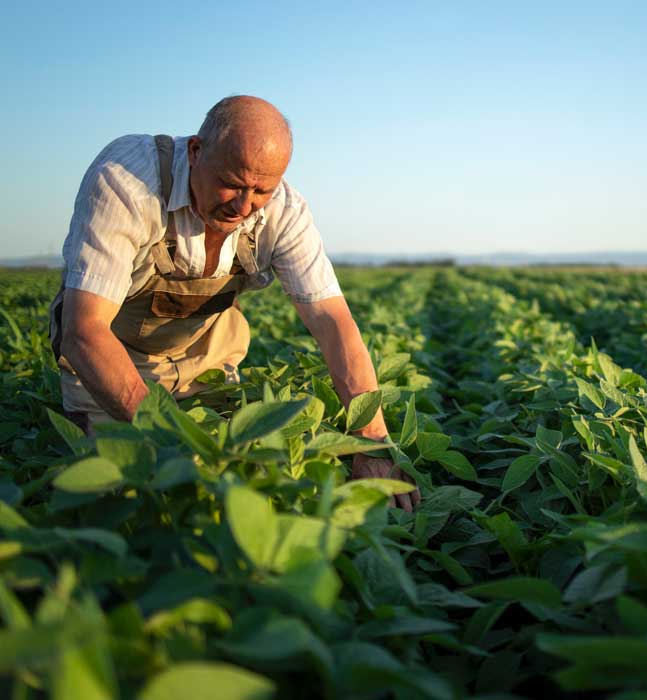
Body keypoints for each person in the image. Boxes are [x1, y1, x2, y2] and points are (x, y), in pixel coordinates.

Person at [48, 95, 420, 511]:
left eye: (262, 190)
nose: (244, 206)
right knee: (127, 496)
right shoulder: (127, 180)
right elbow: (84, 333)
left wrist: (370, 444)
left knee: (250, 488)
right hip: (111, 364)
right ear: (195, 151)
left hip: (206, 359)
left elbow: (333, 323)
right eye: (232, 183)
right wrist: (175, 442)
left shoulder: (285, 211)